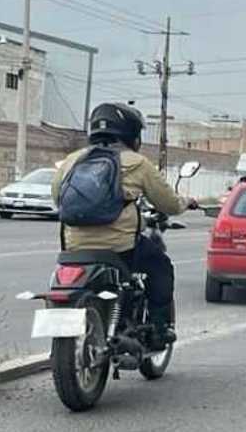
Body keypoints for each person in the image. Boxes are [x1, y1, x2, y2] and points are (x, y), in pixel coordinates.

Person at [51, 102, 195, 346]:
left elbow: (57, 198)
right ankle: (160, 329)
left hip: (74, 249)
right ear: (131, 133)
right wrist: (186, 202)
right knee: (161, 267)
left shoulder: (71, 161)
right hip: (120, 248)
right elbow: (168, 203)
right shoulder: (137, 163)